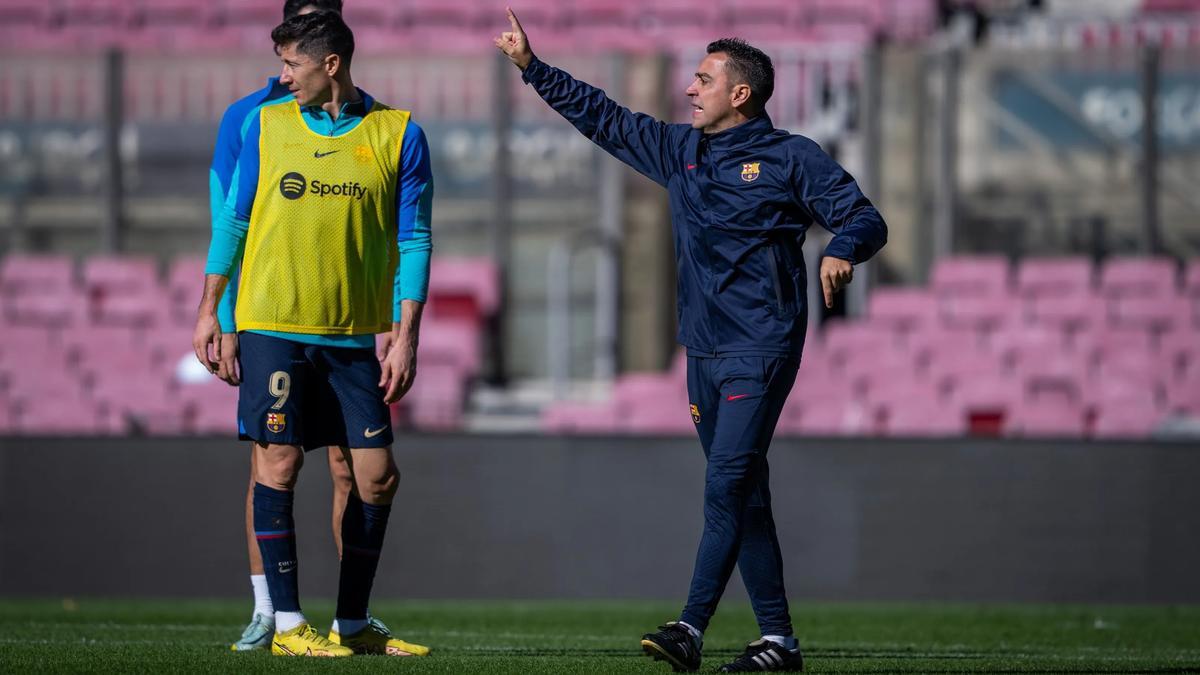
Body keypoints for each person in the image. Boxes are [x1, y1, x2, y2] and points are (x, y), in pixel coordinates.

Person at [496, 10, 887, 673]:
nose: (689, 90)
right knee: (745, 494)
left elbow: (864, 217)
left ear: (741, 93)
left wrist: (841, 250)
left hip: (760, 347)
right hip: (701, 354)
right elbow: (605, 118)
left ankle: (690, 627)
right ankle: (779, 642)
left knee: (725, 483)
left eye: (704, 79)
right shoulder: (683, 151)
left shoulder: (793, 157)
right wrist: (534, 69)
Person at [194, 9, 432, 658]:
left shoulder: (398, 133)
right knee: (278, 459)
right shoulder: (266, 125)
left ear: (330, 64)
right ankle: (289, 623)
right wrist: (210, 309)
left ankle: (352, 624)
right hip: (274, 323)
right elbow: (232, 222)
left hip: (354, 335)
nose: (282, 76)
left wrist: (406, 332)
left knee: (377, 476)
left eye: (291, 64)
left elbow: (413, 239)